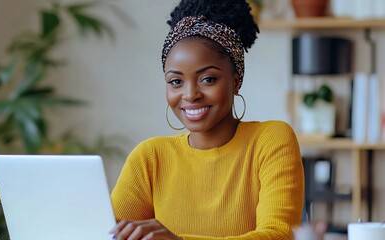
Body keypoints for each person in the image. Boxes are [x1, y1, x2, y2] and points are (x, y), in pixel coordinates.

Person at [110, 0, 304, 239]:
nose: (190, 94)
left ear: (236, 80)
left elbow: (280, 234)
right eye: (176, 82)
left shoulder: (270, 140)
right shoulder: (149, 158)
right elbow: (105, 233)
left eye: (208, 79)